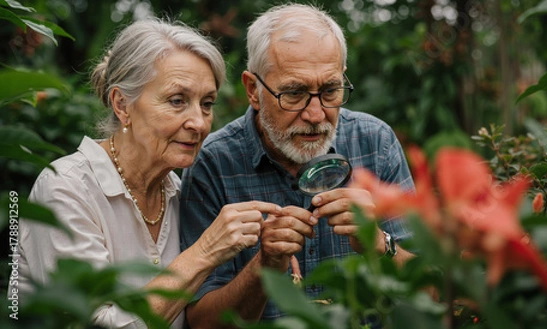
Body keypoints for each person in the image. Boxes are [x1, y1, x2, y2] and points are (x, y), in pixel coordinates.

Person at [12, 18, 282, 329]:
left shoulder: (180, 192)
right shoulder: (65, 188)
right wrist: (206, 251)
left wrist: (266, 261)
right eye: (177, 101)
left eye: (206, 104)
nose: (199, 122)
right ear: (122, 104)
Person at [179, 3, 416, 327]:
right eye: (294, 93)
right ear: (253, 89)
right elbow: (200, 322)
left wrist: (378, 243)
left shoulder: (375, 144)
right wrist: (264, 267)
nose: (316, 114)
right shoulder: (214, 164)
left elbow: (432, 292)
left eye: (331, 90)